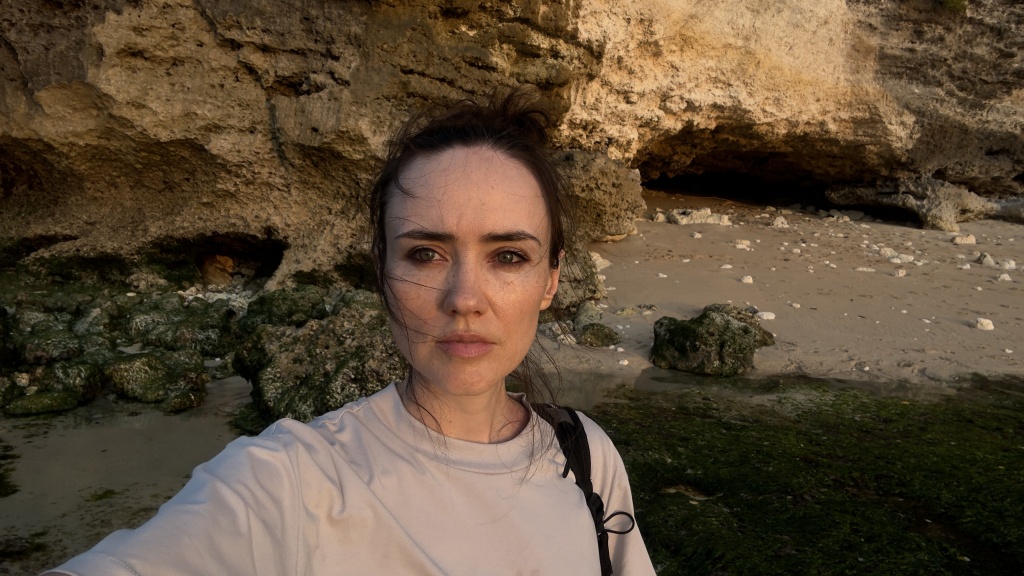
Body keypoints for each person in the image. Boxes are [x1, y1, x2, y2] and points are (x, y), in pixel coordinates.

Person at [45, 87, 656, 576]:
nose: (465, 299)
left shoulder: (585, 454)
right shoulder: (288, 481)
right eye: (425, 254)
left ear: (551, 280)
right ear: (381, 270)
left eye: (509, 257)